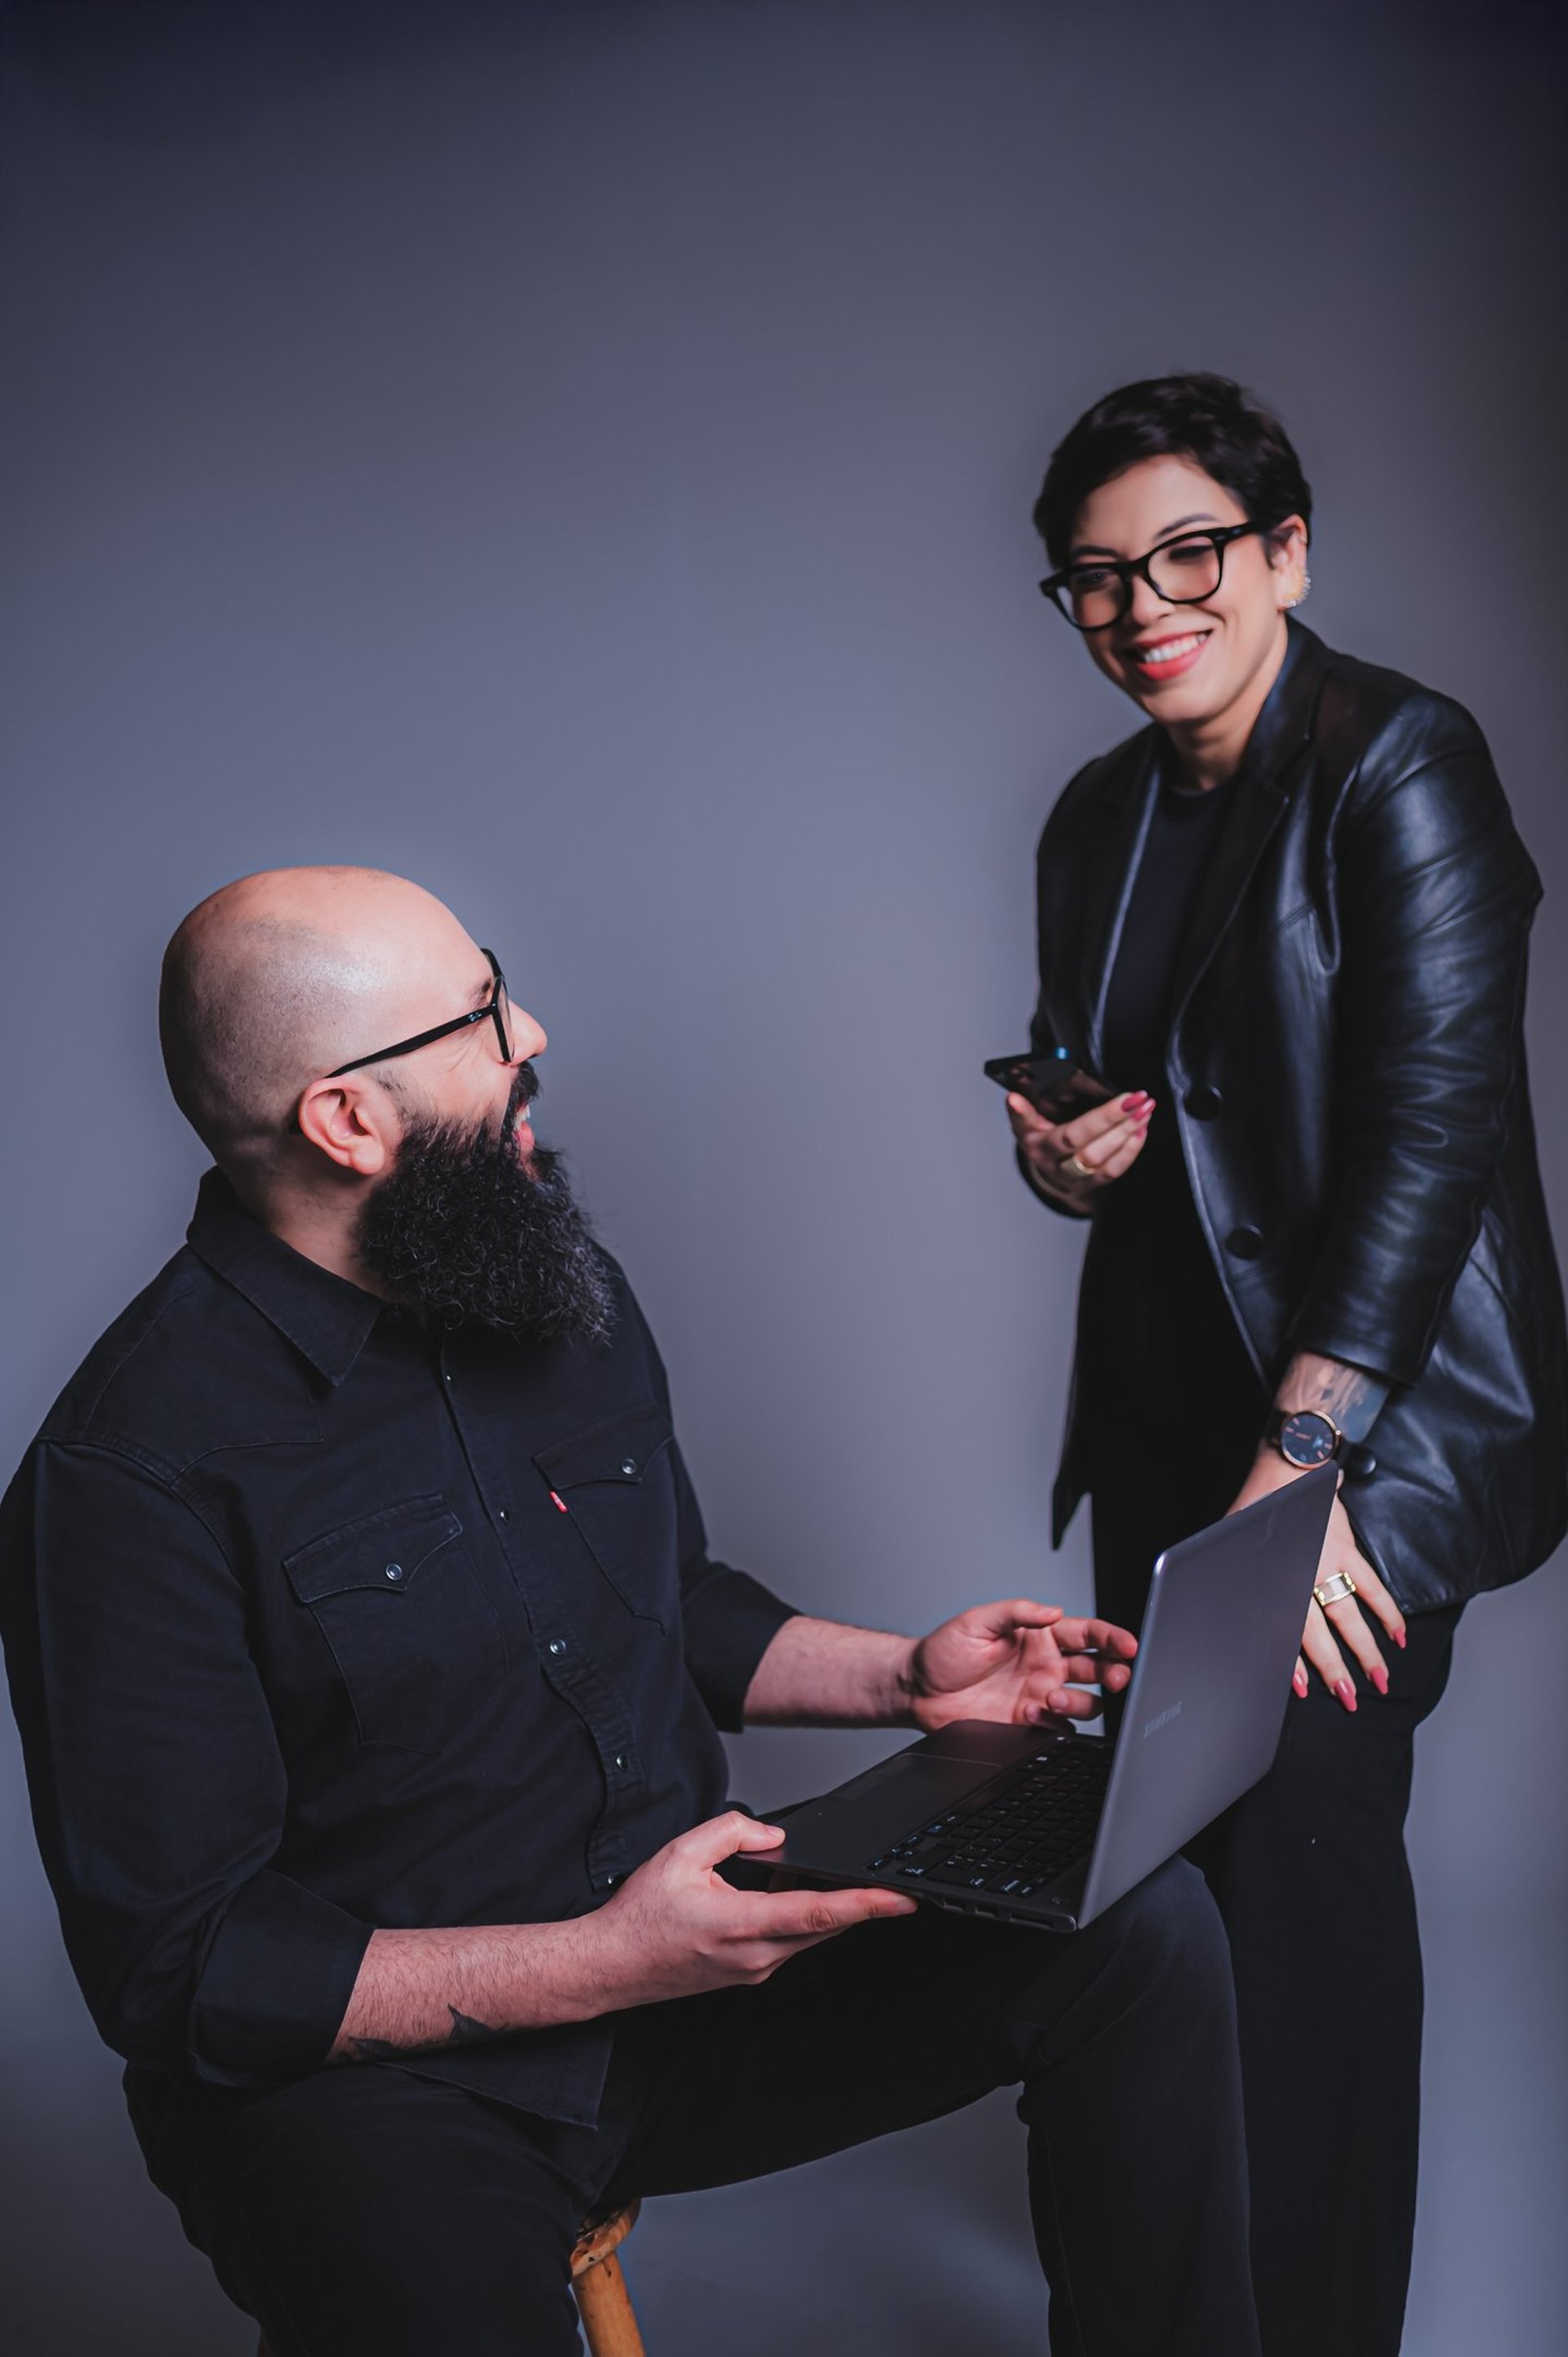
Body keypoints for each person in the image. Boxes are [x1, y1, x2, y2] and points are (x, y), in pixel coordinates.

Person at [2, 866, 1259, 2357]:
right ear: (347, 1120)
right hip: (385, 2088)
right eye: (480, 1017)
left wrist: (905, 1680)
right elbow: (189, 1971)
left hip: (692, 1973)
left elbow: (666, 1600)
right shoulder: (125, 1470)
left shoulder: (542, 1274)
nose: (532, 1030)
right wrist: (610, 1955)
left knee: (1139, 1931)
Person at [1006, 373, 1568, 2357]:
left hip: (1365, 1430)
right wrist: (1063, 1162)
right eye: (1096, 578)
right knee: (1160, 1900)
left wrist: (1305, 1470)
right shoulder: (1095, 817)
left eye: (1189, 554)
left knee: (1301, 1882)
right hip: (1169, 1421)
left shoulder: (1399, 761)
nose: (1143, 608)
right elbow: (1132, 1106)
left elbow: (1430, 1144)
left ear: (1287, 552)